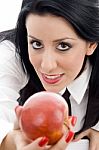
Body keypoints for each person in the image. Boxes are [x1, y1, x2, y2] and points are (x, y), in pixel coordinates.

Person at [0, 0, 99, 149]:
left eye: (63, 46)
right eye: (36, 44)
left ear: (92, 44)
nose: (47, 66)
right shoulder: (8, 55)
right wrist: (10, 141)